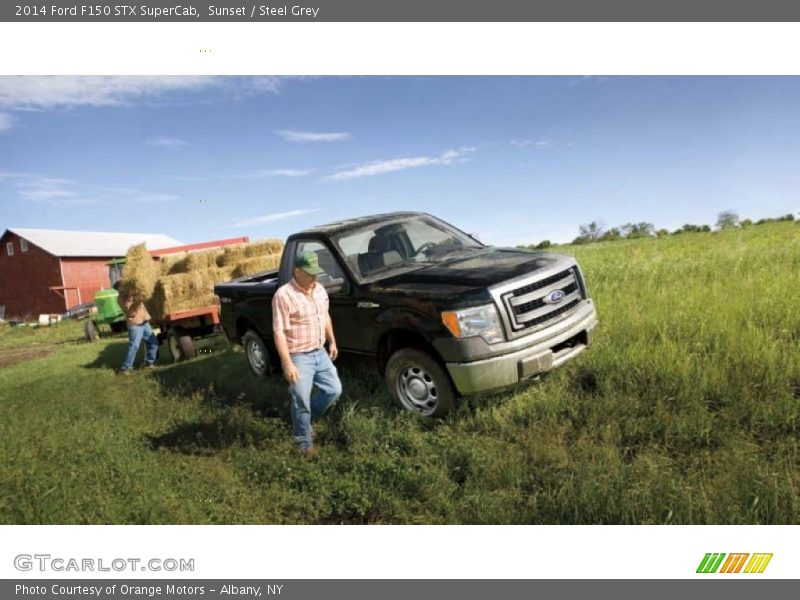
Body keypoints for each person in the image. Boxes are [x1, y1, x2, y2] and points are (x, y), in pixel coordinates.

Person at [272, 251, 342, 455]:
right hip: (298, 356)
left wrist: (332, 341)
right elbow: (279, 331)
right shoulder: (283, 295)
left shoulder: (319, 290)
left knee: (333, 390)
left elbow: (325, 316)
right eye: (310, 274)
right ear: (297, 271)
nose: (314, 278)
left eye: (316, 273)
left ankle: (304, 419)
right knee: (301, 399)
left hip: (319, 351)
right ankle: (304, 443)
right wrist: (288, 363)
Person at [117, 288, 159, 374]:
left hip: (144, 322)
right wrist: (130, 295)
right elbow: (126, 307)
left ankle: (149, 363)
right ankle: (125, 368)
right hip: (135, 324)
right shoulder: (120, 298)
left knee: (153, 342)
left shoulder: (136, 293)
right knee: (134, 346)